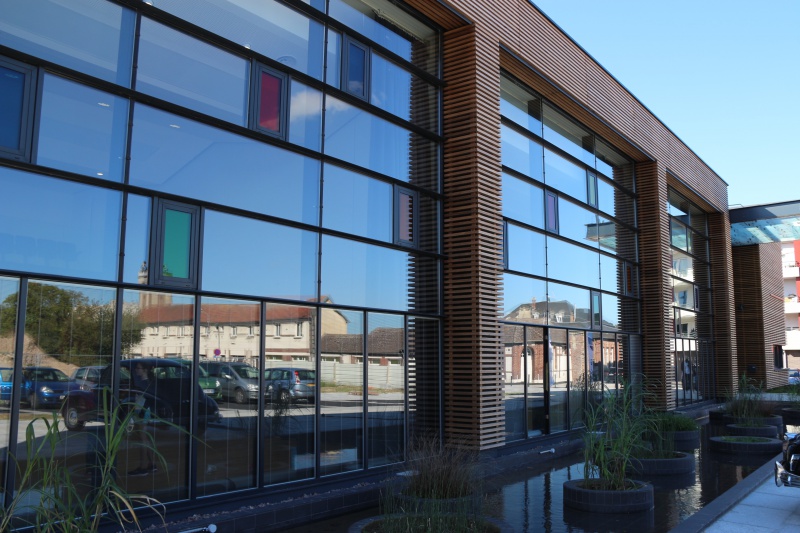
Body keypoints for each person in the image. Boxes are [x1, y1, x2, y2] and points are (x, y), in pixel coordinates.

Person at [128, 362, 157, 476]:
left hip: (143, 412)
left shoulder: (146, 384)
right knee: (144, 439)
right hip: (139, 411)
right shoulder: (143, 382)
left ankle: (143, 466)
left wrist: (142, 412)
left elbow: (149, 399)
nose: (136, 370)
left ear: (145, 370)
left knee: (143, 439)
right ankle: (151, 464)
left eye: (138, 368)